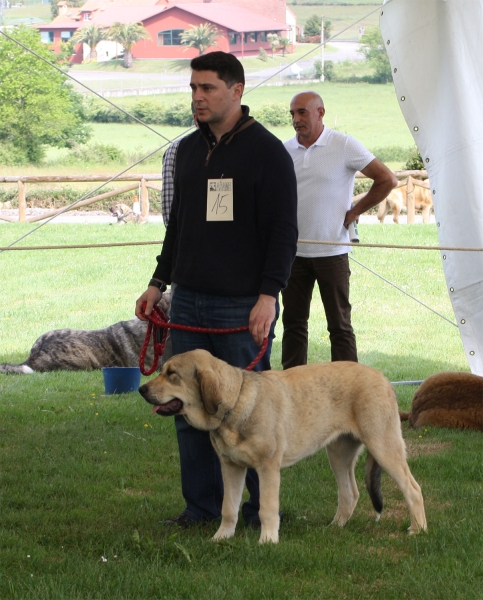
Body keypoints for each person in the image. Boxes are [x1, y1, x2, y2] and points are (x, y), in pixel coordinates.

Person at [135, 51, 298, 528]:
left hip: (241, 306)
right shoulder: (185, 150)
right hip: (187, 300)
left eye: (207, 88)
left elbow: (283, 233)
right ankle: (202, 508)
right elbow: (177, 228)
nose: (197, 97)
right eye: (193, 88)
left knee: (247, 413)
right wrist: (157, 283)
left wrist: (268, 295)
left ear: (237, 91)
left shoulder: (267, 152)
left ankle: (255, 511)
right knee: (186, 406)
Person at [281, 91, 397, 368]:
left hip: (332, 251)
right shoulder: (283, 151)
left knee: (340, 326)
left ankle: (350, 390)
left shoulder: (343, 145)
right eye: (293, 114)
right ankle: (292, 390)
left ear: (320, 112)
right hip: (292, 254)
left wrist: (356, 211)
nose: (296, 119)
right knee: (293, 325)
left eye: (302, 112)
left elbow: (387, 179)